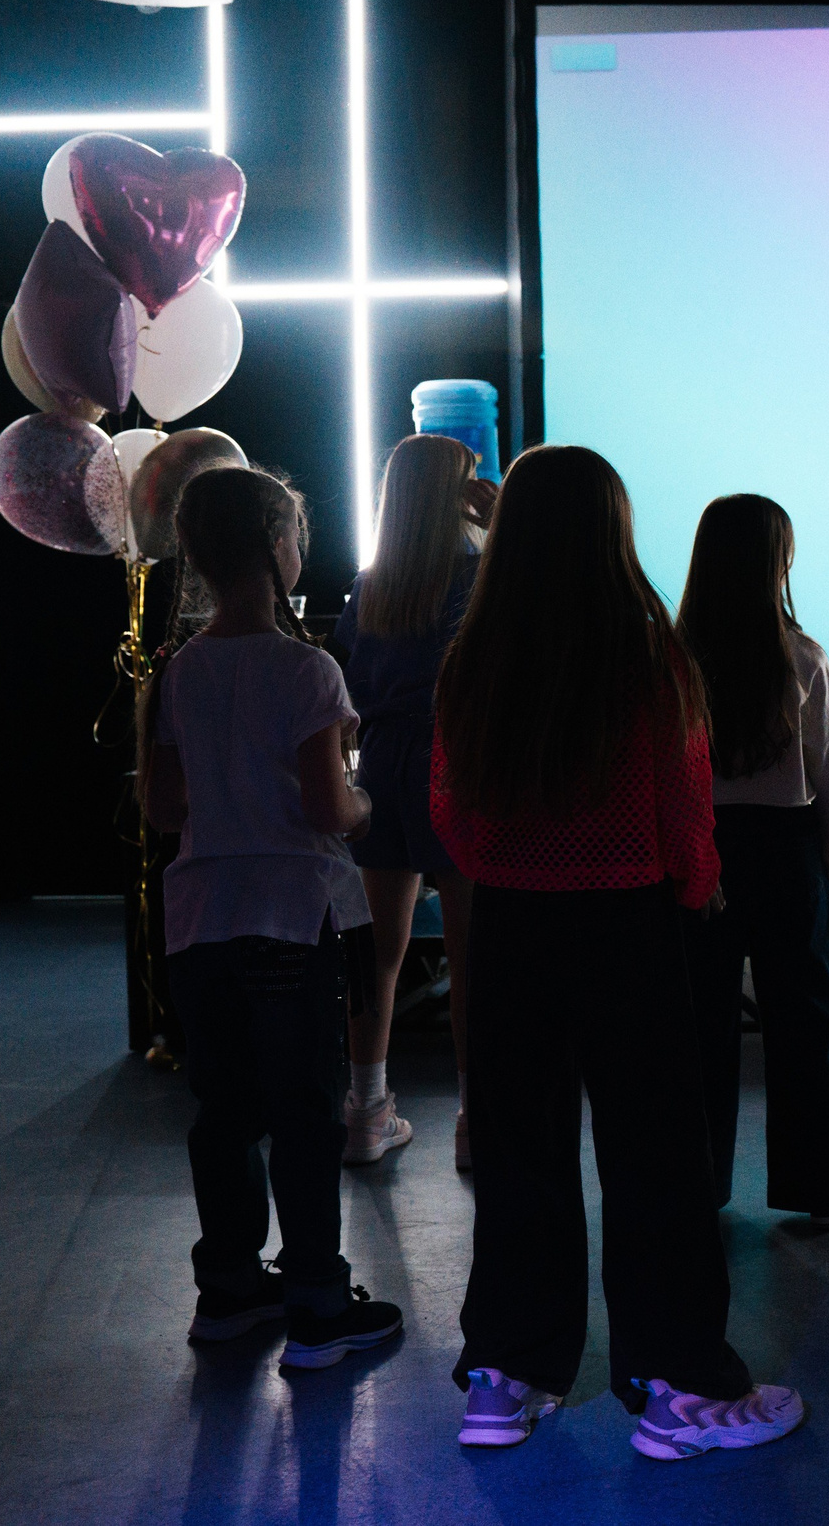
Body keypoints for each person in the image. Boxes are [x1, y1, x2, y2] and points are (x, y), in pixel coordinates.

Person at [433, 445, 802, 1461]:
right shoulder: (650, 658)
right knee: (656, 1165)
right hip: (629, 931)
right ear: (613, 530)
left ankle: (504, 1382)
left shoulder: (475, 660)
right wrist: (690, 891)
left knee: (518, 1157)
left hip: (510, 930)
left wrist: (511, 873)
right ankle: (680, 1390)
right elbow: (686, 820)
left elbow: (451, 817)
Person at [140, 464, 404, 1372]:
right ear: (275, 548)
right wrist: (367, 800)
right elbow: (332, 812)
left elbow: (166, 812)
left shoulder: (178, 671)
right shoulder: (307, 667)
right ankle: (320, 1304)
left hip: (199, 922)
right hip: (293, 919)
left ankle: (229, 1290)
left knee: (223, 1111)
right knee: (303, 1112)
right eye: (295, 533)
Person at [677, 493, 829, 1228]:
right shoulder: (802, 658)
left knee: (699, 1021)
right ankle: (818, 1180)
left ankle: (695, 1184)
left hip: (698, 850)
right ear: (777, 563)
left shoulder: (673, 662)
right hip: (784, 852)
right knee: (801, 1020)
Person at [334, 433, 493, 1170]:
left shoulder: (371, 583)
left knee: (378, 952)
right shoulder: (479, 571)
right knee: (472, 955)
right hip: (459, 760)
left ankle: (366, 1109)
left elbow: (351, 688)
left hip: (385, 763)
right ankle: (475, 1118)